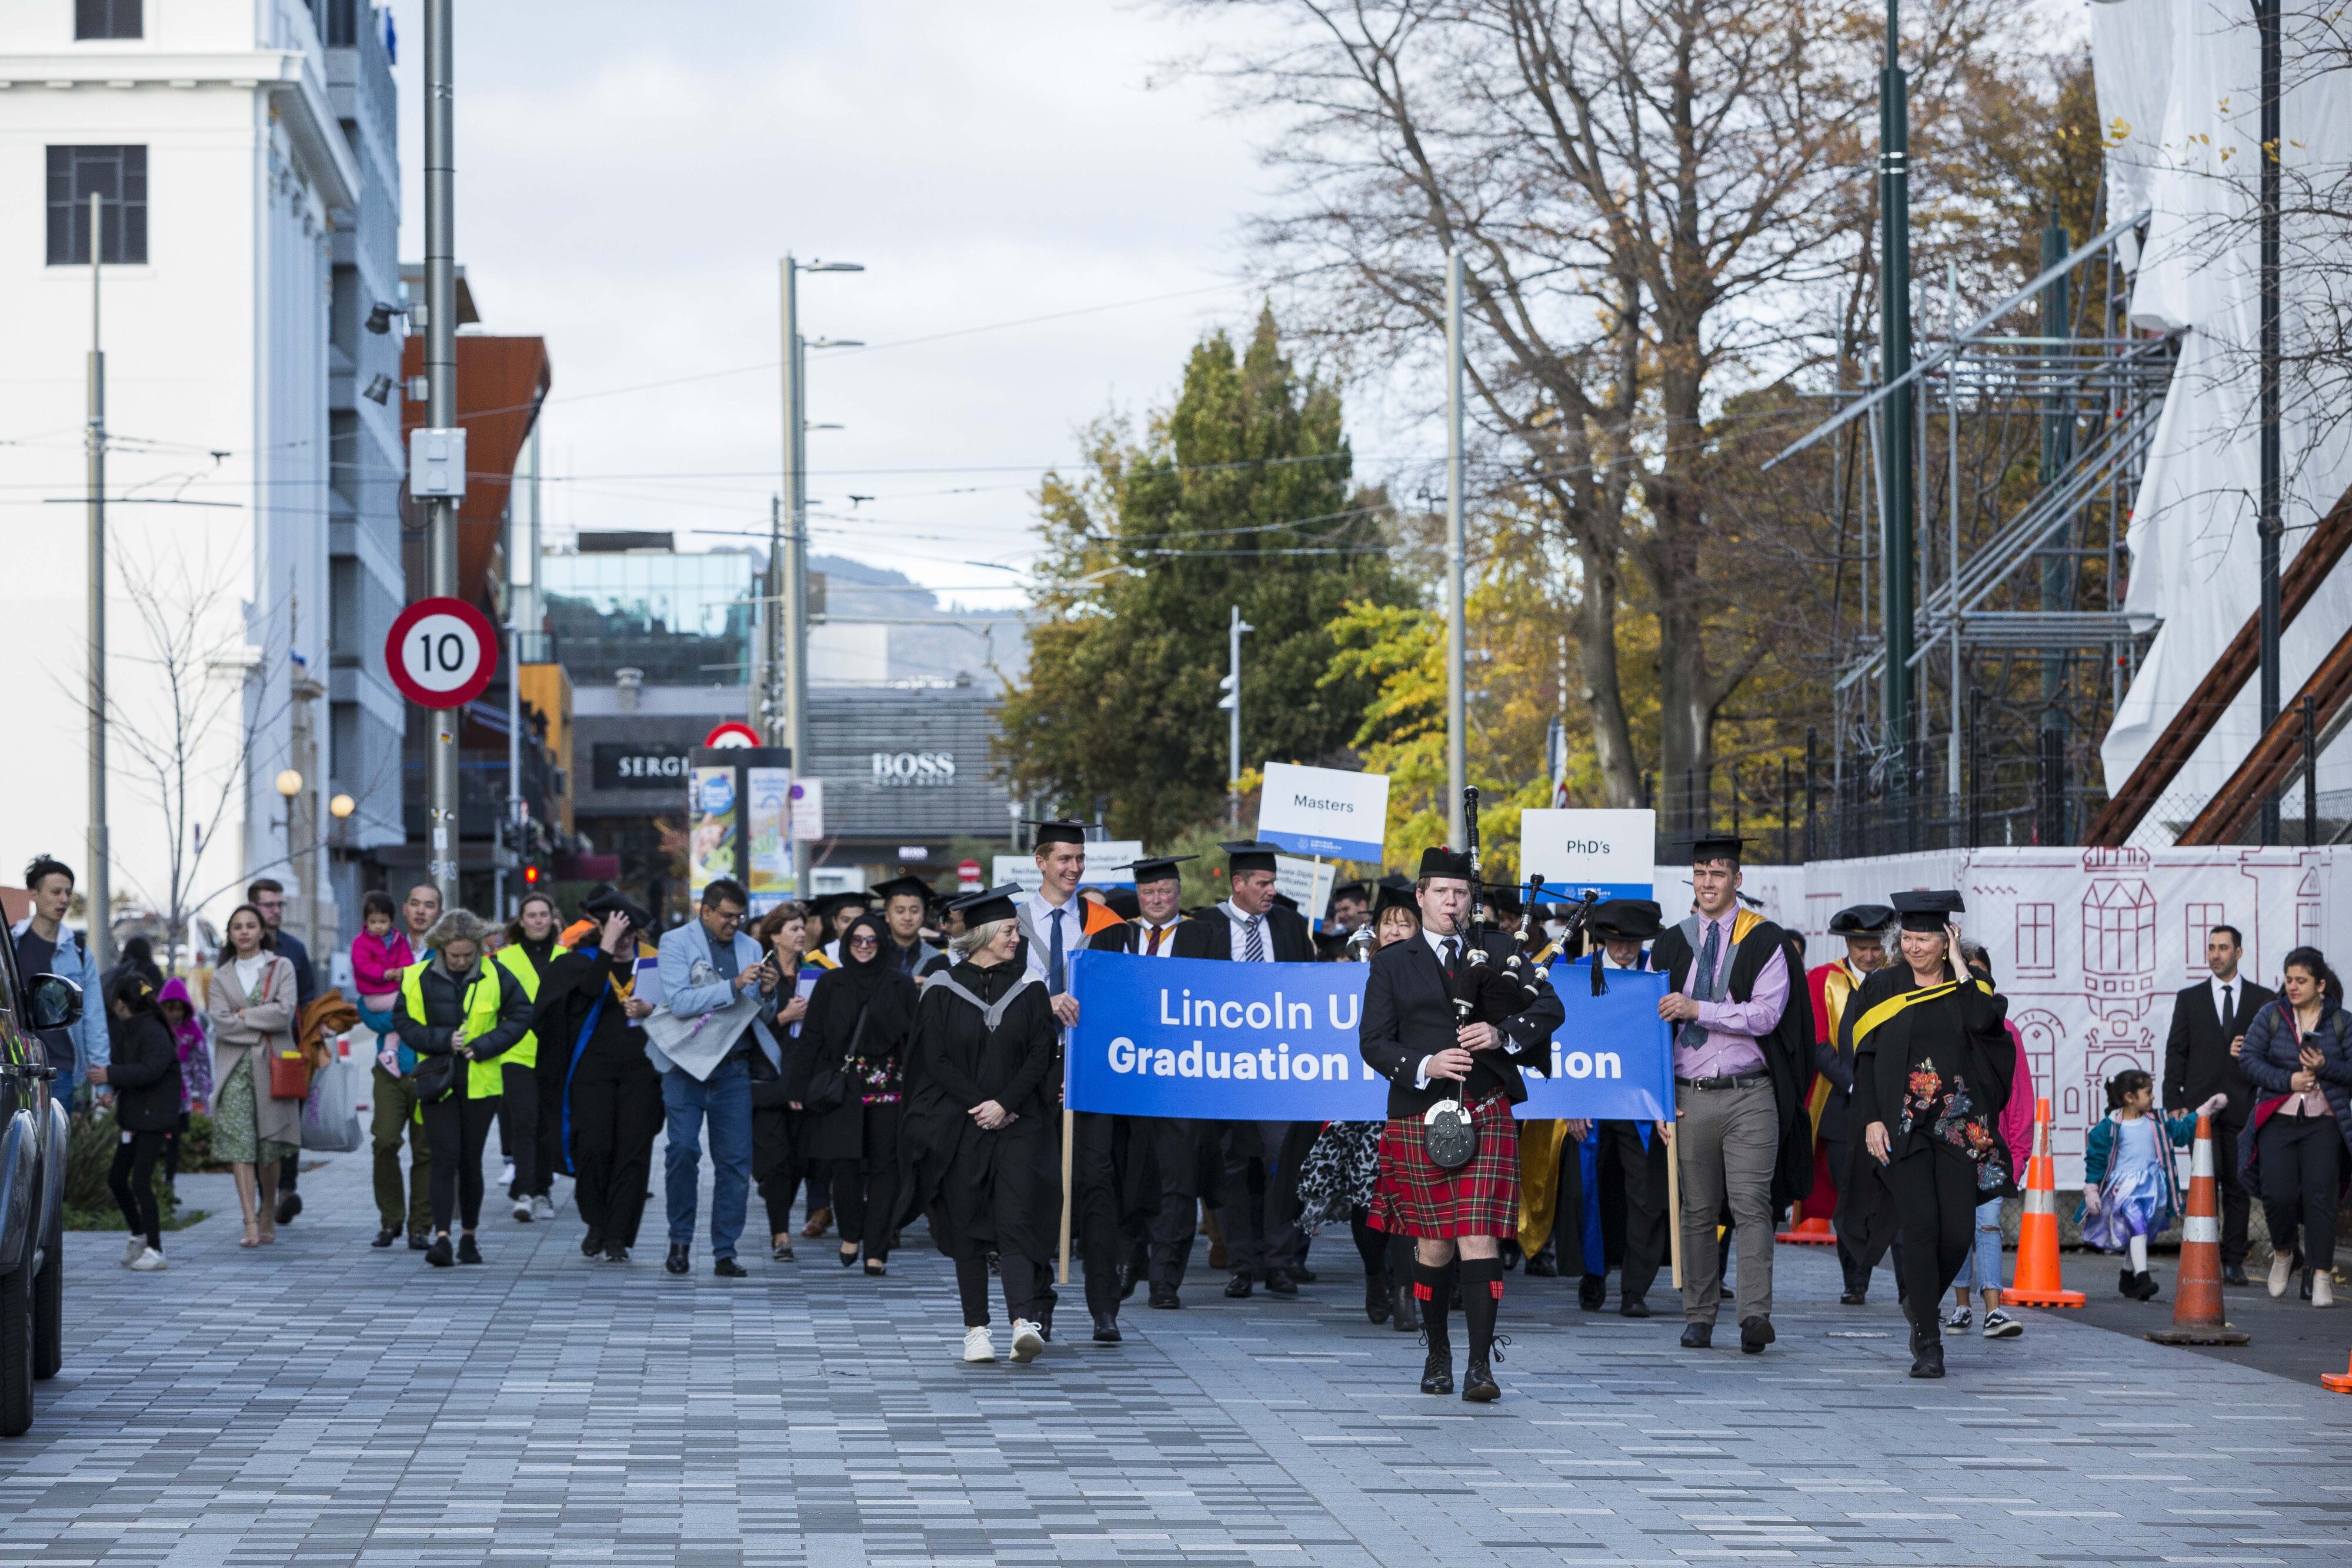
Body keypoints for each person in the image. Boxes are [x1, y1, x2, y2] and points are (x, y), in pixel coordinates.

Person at [1358, 848, 1547, 1401]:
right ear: (1420, 898)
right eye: (1440, 892)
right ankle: (1437, 1352)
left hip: (1485, 1108)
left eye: (1460, 893)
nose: (1451, 901)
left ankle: (1480, 1366)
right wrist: (1425, 1065)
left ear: (1472, 900)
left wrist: (1502, 1034)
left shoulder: (1501, 950)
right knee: (1434, 1244)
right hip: (1420, 1114)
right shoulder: (1392, 963)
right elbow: (1372, 1041)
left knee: (1477, 1234)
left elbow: (1549, 1009)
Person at [1647, 836, 1811, 1355]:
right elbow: (1648, 1028)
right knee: (1696, 1210)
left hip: (1750, 1095)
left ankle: (1754, 1316)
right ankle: (1698, 1315)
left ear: (1736, 881)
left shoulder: (1767, 941)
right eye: (1699, 873)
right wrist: (1656, 1099)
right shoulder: (1671, 943)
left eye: (1717, 874)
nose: (1707, 883)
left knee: (1752, 1206)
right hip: (1688, 1095)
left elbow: (1766, 1015)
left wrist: (1699, 1010)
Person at [1845, 890, 2017, 1379]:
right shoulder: (1882, 985)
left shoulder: (1972, 984)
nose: (1915, 947)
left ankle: (1918, 1301)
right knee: (1920, 1226)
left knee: (1957, 1232)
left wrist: (1962, 966)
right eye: (1909, 939)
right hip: (1903, 1125)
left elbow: (1984, 1022)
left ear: (1946, 941)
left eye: (1926, 939)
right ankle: (1928, 1338)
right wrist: (1871, 1119)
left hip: (1959, 1126)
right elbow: (1865, 1055)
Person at [902, 885, 1061, 1364]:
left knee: (1015, 1217)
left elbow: (1040, 1053)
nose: (1018, 938)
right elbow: (935, 1058)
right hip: (961, 1123)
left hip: (1018, 1123)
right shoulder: (941, 988)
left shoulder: (1030, 988)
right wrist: (982, 1105)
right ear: (986, 933)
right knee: (967, 1223)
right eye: (1011, 930)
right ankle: (976, 1330)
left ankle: (1021, 1323)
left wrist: (1006, 1103)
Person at [1071, 853, 1201, 1333]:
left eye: (1166, 892)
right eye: (1149, 893)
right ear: (1139, 896)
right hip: (1123, 1076)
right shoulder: (1112, 937)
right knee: (1126, 1173)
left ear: (1178, 893)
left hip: (1180, 1077)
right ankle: (1126, 1260)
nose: (1158, 900)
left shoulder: (1202, 938)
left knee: (1176, 1175)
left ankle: (1166, 1278)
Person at [1296, 879, 1424, 1329]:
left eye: (1404, 923)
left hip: (1409, 1107)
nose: (1393, 930)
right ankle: (1376, 1276)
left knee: (1409, 1200)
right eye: (1387, 923)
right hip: (1359, 1110)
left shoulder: (1430, 977)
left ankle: (1406, 1293)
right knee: (1367, 1204)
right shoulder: (1348, 974)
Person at [1196, 840, 1316, 1300]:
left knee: (1280, 1160)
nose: (1270, 891)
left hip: (1279, 1064)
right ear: (1238, 884)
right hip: (1223, 1065)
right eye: (1262, 883)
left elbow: (1308, 988)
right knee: (1233, 1166)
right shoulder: (1205, 926)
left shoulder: (1288, 925)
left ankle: (1280, 1262)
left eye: (1272, 883)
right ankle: (1242, 1263)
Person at [652, 877, 780, 1277]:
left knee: (736, 1163)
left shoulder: (752, 946)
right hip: (685, 1066)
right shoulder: (675, 942)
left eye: (740, 916)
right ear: (704, 911)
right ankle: (679, 1240)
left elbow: (760, 1014)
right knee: (683, 1152)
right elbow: (679, 1002)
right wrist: (735, 985)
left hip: (733, 1066)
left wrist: (768, 993)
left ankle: (725, 1250)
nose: (734, 923)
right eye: (727, 916)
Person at [392, 909, 535, 1267]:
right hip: (436, 1079)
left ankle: (469, 1238)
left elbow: (521, 1015)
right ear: (440, 948)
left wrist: (486, 1045)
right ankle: (442, 1238)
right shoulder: (416, 977)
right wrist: (443, 1039)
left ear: (478, 948)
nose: (459, 962)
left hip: (481, 1083)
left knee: (470, 1161)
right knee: (444, 1157)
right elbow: (404, 1023)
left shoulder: (497, 975)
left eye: (467, 955)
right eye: (453, 955)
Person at [536, 887, 663, 1261]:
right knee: (593, 1149)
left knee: (633, 1154)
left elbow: (670, 1013)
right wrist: (606, 950)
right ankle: (596, 1221)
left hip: (642, 1073)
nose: (624, 941)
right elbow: (590, 990)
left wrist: (650, 1010)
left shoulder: (652, 963)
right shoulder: (579, 963)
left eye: (628, 934)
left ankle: (619, 1236)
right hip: (590, 1074)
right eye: (615, 933)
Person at [1562, 899, 1672, 1319]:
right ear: (1602, 938)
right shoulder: (1575, 974)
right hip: (1589, 1099)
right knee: (1587, 1191)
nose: (1625, 950)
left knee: (1646, 1196)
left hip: (1640, 1102)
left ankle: (1635, 1289)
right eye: (1616, 942)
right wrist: (1571, 1102)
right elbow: (1565, 1040)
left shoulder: (1657, 975)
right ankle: (1593, 1273)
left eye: (1633, 942)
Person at [801, 912, 919, 1275]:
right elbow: (813, 1037)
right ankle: (851, 1232)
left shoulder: (899, 984)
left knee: (886, 1168)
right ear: (847, 944)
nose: (865, 947)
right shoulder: (830, 983)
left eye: (872, 940)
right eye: (857, 940)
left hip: (889, 1086)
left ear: (882, 944)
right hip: (845, 1087)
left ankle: (877, 1248)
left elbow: (914, 1039)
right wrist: (800, 1087)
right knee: (845, 1164)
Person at [2239, 946, 2351, 1307]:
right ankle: (2284, 1252)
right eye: (2288, 979)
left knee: (2322, 1197)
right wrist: (2286, 1080)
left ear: (2320, 985)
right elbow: (2249, 1060)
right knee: (2277, 1193)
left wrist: (2325, 1066)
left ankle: (2321, 1275)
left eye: (2301, 981)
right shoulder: (2270, 1015)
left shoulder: (2342, 1022)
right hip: (2278, 1117)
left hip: (2324, 1121)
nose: (2292, 987)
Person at [2162, 925, 2271, 1287]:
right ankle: (2204, 1253)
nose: (2216, 954)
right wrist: (2174, 1102)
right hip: (2200, 1107)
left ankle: (2233, 1260)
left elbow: (2273, 1054)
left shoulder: (2262, 1000)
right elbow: (2176, 1051)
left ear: (2238, 953)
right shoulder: (2189, 998)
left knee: (2238, 1184)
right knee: (2205, 1182)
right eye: (2211, 947)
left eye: (2223, 948)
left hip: (2245, 1103)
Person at [1944, 940, 2036, 1339]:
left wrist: (2017, 1152)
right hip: (1949, 1145)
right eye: (1965, 972)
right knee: (1957, 1228)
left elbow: (2019, 1096)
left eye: (1979, 972)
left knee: (1986, 1224)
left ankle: (1993, 1308)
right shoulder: (1943, 1022)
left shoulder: (2007, 1031)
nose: (1973, 980)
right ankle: (1961, 1305)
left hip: (1990, 1148)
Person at [1804, 903, 1893, 1305]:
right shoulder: (1824, 981)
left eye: (1875, 947)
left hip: (1894, 1109)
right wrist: (1857, 1086)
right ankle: (1854, 1278)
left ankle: (1908, 1284)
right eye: (1861, 947)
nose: (1869, 956)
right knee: (1849, 1193)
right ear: (1847, 945)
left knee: (1894, 1194)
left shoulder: (1900, 979)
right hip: (1842, 1108)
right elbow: (1818, 1044)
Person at [2080, 1067, 2221, 1301]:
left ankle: (2127, 1277)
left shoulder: (2158, 1121)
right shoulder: (2109, 1128)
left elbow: (2182, 1132)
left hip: (2153, 1188)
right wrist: (2092, 1188)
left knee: (2140, 1231)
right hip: (2125, 1189)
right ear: (2130, 1098)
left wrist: (2204, 1111)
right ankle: (2143, 1277)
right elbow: (2096, 1158)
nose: (2153, 1097)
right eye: (2148, 1093)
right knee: (2137, 1227)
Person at [206, 903, 302, 1248]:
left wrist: (242, 1015)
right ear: (230, 935)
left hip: (272, 1068)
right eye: (237, 927)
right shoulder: (220, 976)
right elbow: (220, 1023)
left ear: (262, 931)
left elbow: (284, 1014)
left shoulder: (282, 967)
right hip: (234, 1070)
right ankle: (249, 1221)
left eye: (250, 925)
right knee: (240, 1146)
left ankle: (267, 1209)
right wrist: (258, 1022)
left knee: (269, 1148)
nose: (244, 932)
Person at [362, 883, 436, 1249]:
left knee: (426, 1150)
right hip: (389, 1068)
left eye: (430, 905)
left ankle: (421, 1225)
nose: (422, 911)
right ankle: (391, 1219)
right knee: (385, 1141)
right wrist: (399, 1023)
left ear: (439, 912)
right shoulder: (384, 943)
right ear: (404, 909)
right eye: (416, 904)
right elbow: (365, 1004)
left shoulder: (447, 953)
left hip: (430, 1067)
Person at [12, 854, 111, 1114]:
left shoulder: (77, 949)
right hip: (13, 1063)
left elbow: (93, 1015)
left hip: (59, 1068)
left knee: (53, 1152)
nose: (64, 900)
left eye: (68, 892)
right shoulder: (11, 944)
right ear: (33, 894)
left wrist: (102, 1078)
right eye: (56, 892)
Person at [99, 972, 181, 1272]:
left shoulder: (152, 1031)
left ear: (121, 1004)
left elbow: (149, 1070)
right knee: (117, 1179)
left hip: (154, 1118)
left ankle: (156, 1249)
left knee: (141, 1182)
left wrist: (110, 1076)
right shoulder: (131, 1029)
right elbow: (129, 1067)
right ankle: (139, 1233)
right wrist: (112, 1089)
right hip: (137, 1116)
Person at [247, 877, 316, 1226]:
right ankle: (266, 1200)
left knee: (289, 1122)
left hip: (289, 1051)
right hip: (252, 1050)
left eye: (279, 905)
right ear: (253, 906)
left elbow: (309, 1000)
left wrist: (315, 1042)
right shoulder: (242, 947)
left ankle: (287, 1191)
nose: (275, 911)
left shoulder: (294, 949)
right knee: (261, 1127)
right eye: (268, 905)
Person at [749, 903, 814, 1259]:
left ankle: (780, 1213)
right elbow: (745, 1031)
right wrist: (784, 1017)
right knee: (776, 1162)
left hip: (803, 1081)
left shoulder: (815, 973)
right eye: (792, 929)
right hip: (767, 1082)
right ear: (774, 935)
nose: (801, 934)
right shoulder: (762, 976)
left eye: (802, 928)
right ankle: (780, 1234)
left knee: (800, 1161)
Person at [493, 893, 562, 1222]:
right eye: (531, 915)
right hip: (515, 1052)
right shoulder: (503, 960)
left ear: (552, 918)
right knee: (523, 1121)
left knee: (548, 1124)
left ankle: (543, 1191)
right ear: (521, 921)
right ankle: (524, 1191)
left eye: (543, 914)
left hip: (554, 1053)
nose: (537, 920)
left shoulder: (566, 959)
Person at [156, 976, 211, 1190]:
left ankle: (169, 1182)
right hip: (160, 1096)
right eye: (170, 1009)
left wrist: (206, 1097)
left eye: (179, 1009)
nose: (175, 1014)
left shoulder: (193, 1029)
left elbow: (203, 1062)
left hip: (182, 1098)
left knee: (174, 1143)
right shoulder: (157, 1029)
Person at [869, 875, 945, 979]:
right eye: (900, 911)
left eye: (914, 911)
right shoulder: (872, 957)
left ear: (923, 915)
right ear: (887, 916)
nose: (908, 917)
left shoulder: (939, 961)